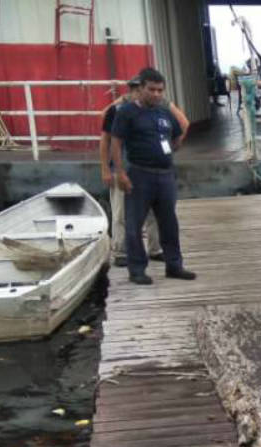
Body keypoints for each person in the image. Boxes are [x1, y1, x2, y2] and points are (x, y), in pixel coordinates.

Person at [109, 67, 196, 285]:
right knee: (134, 224)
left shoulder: (164, 112)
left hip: (165, 175)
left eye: (160, 90)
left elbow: (177, 135)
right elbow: (116, 143)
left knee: (169, 223)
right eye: (152, 90)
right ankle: (137, 269)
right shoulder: (126, 112)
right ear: (141, 88)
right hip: (139, 174)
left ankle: (174, 265)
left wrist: (167, 151)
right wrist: (119, 172)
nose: (156, 94)